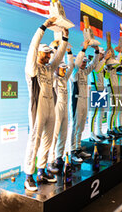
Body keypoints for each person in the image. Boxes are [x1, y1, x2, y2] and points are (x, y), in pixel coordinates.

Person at [24, 17, 69, 191]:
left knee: (47, 142)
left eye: (50, 53)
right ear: (38, 54)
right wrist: (43, 27)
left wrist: (65, 38)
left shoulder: (49, 68)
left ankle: (41, 172)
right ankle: (29, 175)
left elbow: (59, 56)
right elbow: (33, 47)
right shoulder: (32, 68)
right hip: (38, 109)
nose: (49, 56)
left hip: (51, 107)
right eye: (46, 53)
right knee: (34, 141)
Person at [70, 40, 109, 163]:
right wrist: (84, 49)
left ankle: (78, 148)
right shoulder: (75, 73)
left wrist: (97, 51)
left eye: (85, 62)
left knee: (81, 126)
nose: (84, 63)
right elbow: (76, 64)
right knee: (76, 126)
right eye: (83, 61)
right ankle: (72, 151)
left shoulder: (85, 72)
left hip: (84, 100)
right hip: (76, 101)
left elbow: (93, 65)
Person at [47, 46, 74, 174]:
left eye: (64, 69)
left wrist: (69, 53)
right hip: (56, 108)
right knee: (54, 136)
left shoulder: (65, 78)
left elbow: (72, 66)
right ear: (57, 68)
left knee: (63, 134)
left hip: (65, 110)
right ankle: (50, 161)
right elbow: (52, 64)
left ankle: (59, 157)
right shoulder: (53, 77)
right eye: (62, 69)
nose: (64, 71)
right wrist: (55, 49)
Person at [88, 47, 109, 142]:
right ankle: (91, 134)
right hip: (95, 88)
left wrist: (108, 68)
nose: (103, 56)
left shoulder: (102, 64)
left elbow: (106, 76)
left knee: (101, 112)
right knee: (94, 113)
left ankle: (99, 131)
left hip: (102, 88)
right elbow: (96, 70)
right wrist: (104, 60)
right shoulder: (93, 63)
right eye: (102, 54)